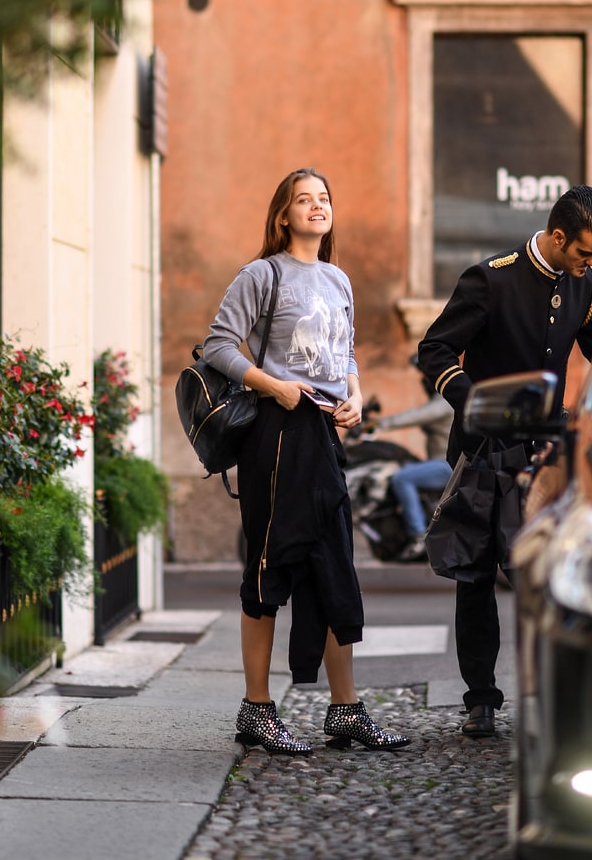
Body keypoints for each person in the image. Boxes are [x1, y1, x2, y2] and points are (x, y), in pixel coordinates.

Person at [202, 168, 409, 755]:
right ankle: (257, 709)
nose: (317, 206)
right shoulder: (261, 275)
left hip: (323, 435)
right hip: (276, 433)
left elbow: (345, 353)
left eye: (324, 199)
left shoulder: (339, 280)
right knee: (270, 564)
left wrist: (354, 396)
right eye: (304, 199)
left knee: (333, 563)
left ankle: (345, 711)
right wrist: (272, 386)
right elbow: (217, 346)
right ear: (283, 216)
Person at [418, 185, 592, 737]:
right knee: (478, 575)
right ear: (558, 237)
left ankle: (556, 692)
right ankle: (480, 698)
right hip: (484, 451)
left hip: (547, 453)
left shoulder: (588, 282)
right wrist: (478, 404)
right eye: (584, 253)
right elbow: (433, 350)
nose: (590, 264)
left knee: (549, 573)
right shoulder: (491, 277)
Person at [371, 355, 453, 561]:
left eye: (426, 375)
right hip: (439, 462)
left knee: (402, 478)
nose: (423, 380)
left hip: (448, 465)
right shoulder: (441, 399)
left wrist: (379, 424)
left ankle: (418, 536)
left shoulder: (446, 400)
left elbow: (418, 415)